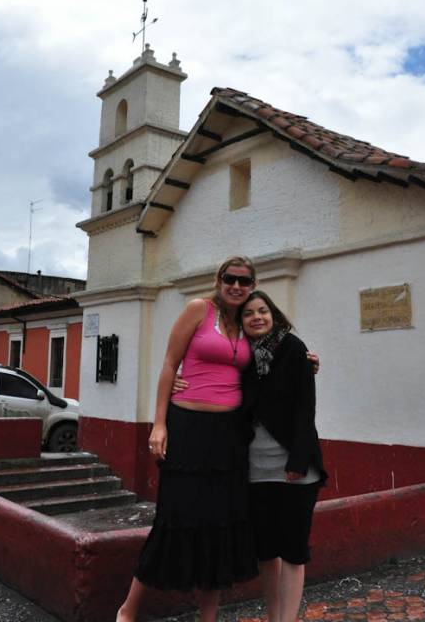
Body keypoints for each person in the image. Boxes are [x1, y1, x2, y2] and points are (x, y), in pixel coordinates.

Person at [116, 256, 259, 622]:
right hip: (188, 429)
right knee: (174, 518)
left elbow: (275, 355)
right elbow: (169, 364)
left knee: (220, 525)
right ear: (219, 278)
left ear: (252, 286)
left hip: (229, 437)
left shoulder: (247, 322)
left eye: (244, 281)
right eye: (231, 278)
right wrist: (159, 423)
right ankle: (128, 611)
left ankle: (207, 617)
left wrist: (308, 362)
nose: (237, 286)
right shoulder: (199, 309)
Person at [240, 290, 326, 622]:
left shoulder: (294, 349)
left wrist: (298, 461)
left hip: (295, 468)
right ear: (242, 321)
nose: (257, 317)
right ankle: (272, 616)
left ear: (274, 315)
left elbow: (306, 409)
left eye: (263, 311)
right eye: (249, 313)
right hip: (254, 469)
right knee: (265, 551)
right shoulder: (238, 358)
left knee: (292, 551)